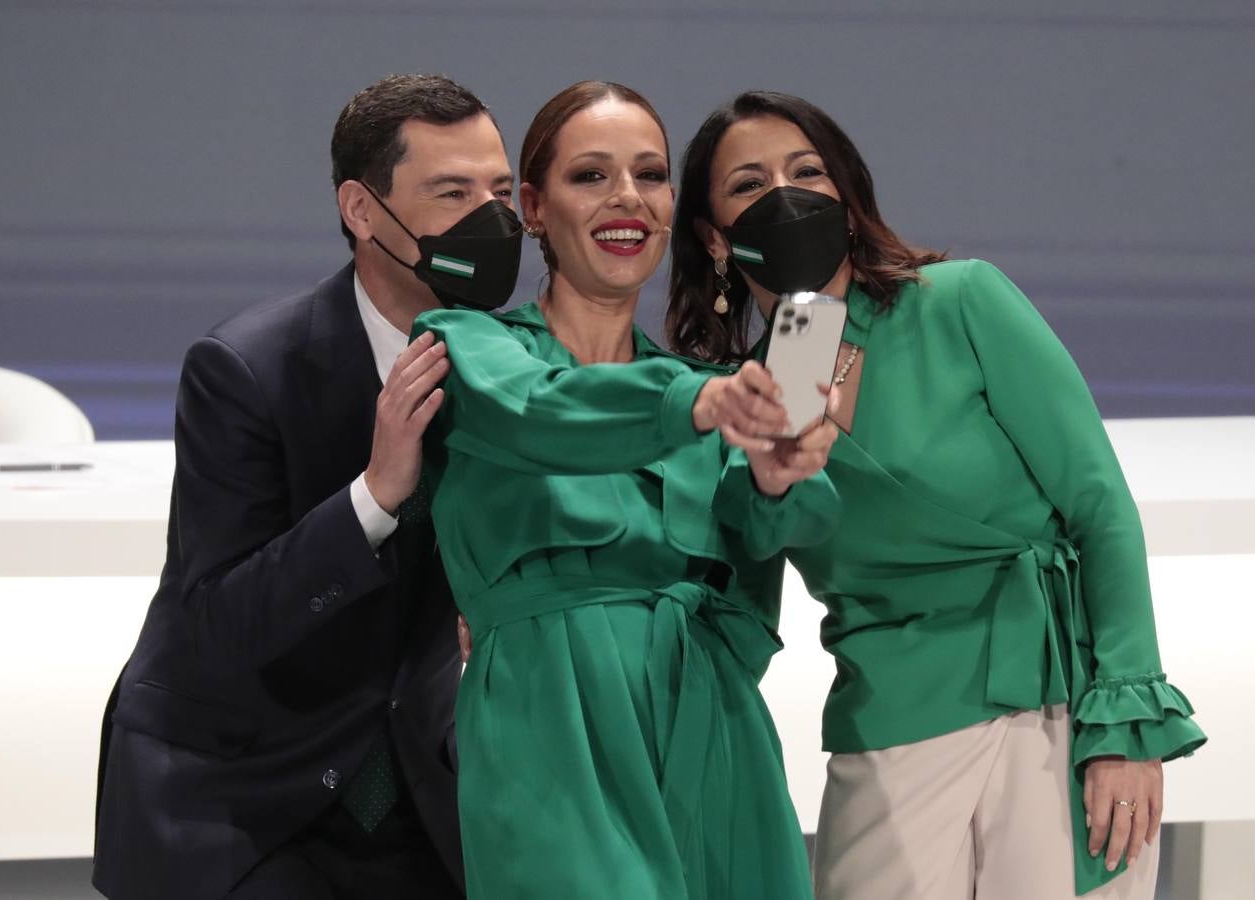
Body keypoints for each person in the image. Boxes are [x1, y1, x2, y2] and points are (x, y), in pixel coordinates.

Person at [666, 90, 1207, 900]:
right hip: (888, 717)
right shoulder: (740, 393)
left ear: (848, 199)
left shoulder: (962, 301)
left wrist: (1127, 726)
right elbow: (744, 600)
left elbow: (1099, 506)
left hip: (1050, 701)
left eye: (807, 170)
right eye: (748, 184)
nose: (785, 195)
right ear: (713, 236)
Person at [403, 81, 839, 899]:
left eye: (650, 173)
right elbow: (542, 414)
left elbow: (788, 527)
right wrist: (696, 406)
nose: (628, 198)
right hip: (550, 725)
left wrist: (781, 475)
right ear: (532, 206)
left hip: (712, 726)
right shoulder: (468, 345)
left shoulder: (707, 386)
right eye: (592, 176)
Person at [93, 73, 521, 900]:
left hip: (419, 794)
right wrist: (374, 497)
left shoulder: (511, 367)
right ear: (363, 212)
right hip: (243, 795)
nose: (490, 220)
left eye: (499, 190)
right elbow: (218, 623)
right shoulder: (247, 369)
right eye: (452, 192)